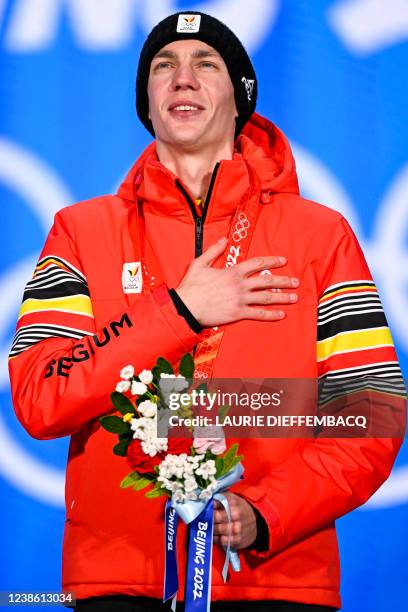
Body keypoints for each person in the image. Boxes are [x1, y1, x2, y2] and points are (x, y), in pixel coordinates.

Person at [8, 10, 405, 612]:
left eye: (206, 64)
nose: (183, 78)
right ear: (147, 100)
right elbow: (41, 397)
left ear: (240, 96)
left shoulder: (320, 237)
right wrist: (180, 312)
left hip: (276, 574)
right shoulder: (79, 233)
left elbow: (369, 415)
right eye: (164, 66)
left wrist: (265, 512)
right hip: (120, 579)